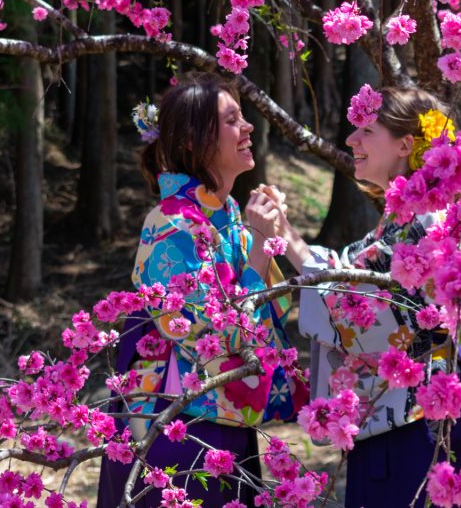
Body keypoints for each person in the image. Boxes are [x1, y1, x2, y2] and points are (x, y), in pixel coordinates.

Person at [257, 86, 461, 508]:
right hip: (432, 399)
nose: (351, 140)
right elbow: (361, 277)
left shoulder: (422, 221)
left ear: (405, 145)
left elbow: (363, 314)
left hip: (420, 415)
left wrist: (288, 239)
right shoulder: (417, 215)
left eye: (366, 130)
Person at [96, 73, 307, 508]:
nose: (248, 128)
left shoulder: (227, 211)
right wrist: (258, 254)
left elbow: (270, 315)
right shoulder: (170, 223)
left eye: (243, 117)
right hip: (176, 424)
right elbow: (206, 336)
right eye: (232, 120)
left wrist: (270, 238)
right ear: (193, 140)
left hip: (224, 413)